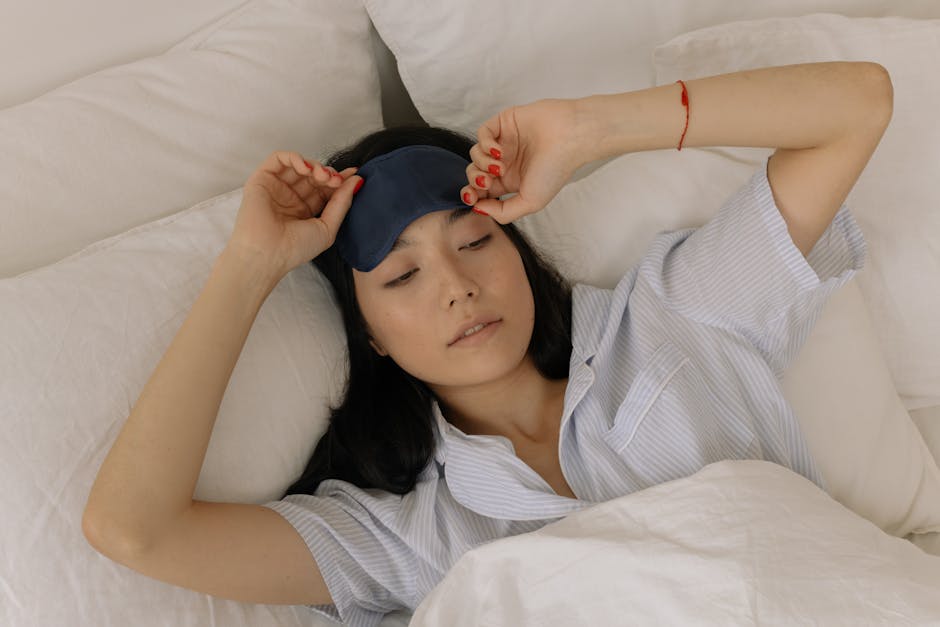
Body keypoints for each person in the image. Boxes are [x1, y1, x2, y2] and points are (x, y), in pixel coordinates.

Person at [82, 61, 891, 626]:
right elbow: (132, 528)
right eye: (402, 277)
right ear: (373, 336)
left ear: (519, 249)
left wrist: (591, 128)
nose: (457, 287)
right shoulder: (399, 534)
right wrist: (249, 267)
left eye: (474, 242)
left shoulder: (676, 316)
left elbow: (859, 104)